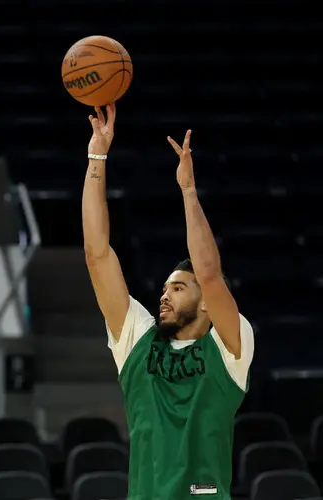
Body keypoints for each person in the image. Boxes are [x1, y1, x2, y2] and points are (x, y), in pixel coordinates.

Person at [82, 103, 254, 500]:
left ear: (207, 303)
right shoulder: (137, 342)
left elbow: (209, 274)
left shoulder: (230, 348)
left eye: (178, 288)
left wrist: (189, 191)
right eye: (164, 288)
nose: (164, 295)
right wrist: (97, 155)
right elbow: (97, 252)